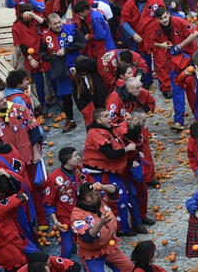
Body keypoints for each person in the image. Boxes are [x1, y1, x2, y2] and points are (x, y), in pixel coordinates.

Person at [83, 108, 146, 236]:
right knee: (117, 199)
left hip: (116, 170)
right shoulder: (94, 133)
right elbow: (110, 154)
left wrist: (130, 125)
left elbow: (130, 136)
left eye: (109, 115)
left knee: (132, 195)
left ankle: (136, 223)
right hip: (100, 174)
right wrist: (127, 150)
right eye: (106, 116)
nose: (109, 117)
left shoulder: (112, 127)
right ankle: (119, 228)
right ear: (98, 120)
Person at [151, 7, 198, 130]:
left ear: (168, 14)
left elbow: (195, 33)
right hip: (174, 61)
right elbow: (152, 41)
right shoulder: (157, 29)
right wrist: (160, 45)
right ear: (157, 20)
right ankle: (179, 121)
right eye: (161, 19)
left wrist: (180, 46)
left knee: (192, 89)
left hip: (189, 59)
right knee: (177, 89)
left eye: (166, 17)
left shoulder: (179, 22)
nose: (164, 20)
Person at [70, 181, 135, 272]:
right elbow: (86, 237)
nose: (100, 195)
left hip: (109, 247)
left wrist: (102, 187)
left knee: (129, 269)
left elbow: (115, 190)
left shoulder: (99, 200)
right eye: (97, 194)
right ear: (88, 198)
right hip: (92, 254)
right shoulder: (77, 215)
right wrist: (101, 222)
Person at [44, 147, 93, 259]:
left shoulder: (80, 169)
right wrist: (56, 222)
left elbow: (90, 182)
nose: (79, 157)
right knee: (67, 250)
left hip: (83, 214)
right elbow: (48, 203)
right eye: (76, 156)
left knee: (87, 244)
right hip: (65, 218)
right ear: (69, 162)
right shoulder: (53, 179)